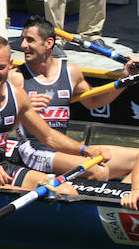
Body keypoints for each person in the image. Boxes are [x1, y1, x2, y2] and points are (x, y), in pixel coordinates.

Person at [0, 35, 110, 192]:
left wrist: (85, 150)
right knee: (35, 196)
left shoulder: (17, 95)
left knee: (65, 191)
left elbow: (48, 136)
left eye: (0, 67)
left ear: (10, 64)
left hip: (3, 168)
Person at [14, 16, 138, 181]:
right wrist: (20, 110)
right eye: (23, 40)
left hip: (64, 149)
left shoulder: (70, 72)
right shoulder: (15, 78)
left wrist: (125, 78)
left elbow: (94, 103)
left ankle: (126, 200)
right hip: (32, 149)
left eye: (30, 40)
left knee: (137, 157)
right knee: (99, 171)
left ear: (49, 43)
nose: (23, 46)